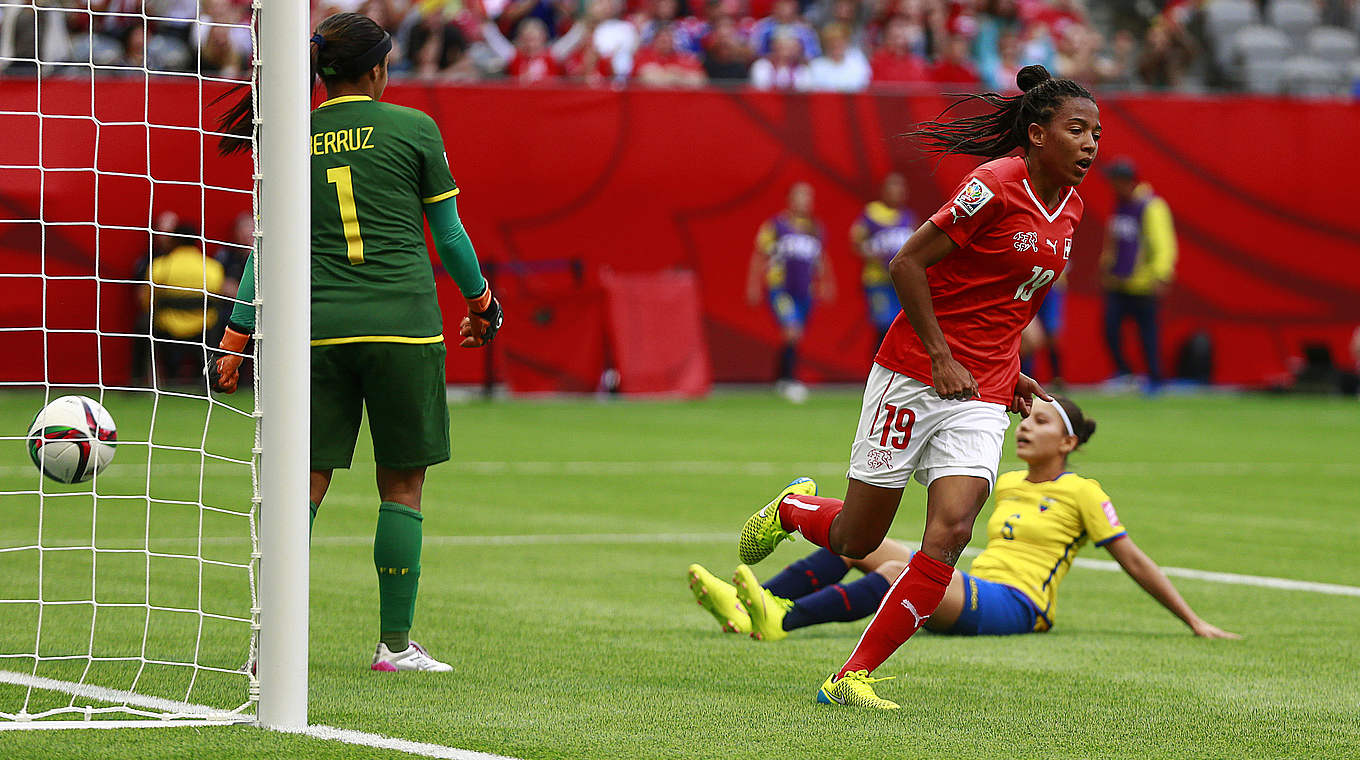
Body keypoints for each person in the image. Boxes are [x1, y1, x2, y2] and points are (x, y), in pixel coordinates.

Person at [736, 65, 1098, 709]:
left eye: (1097, 133)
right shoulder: (992, 186)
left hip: (982, 389)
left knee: (953, 529)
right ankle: (792, 510)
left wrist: (1006, 370)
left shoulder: (1072, 211)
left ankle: (851, 678)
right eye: (1078, 130)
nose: (1092, 144)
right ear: (1038, 135)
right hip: (913, 371)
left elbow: (1009, 303)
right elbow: (906, 262)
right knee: (858, 540)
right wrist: (939, 354)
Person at [210, 11, 503, 673]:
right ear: (375, 70)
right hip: (403, 326)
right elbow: (449, 237)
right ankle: (395, 647)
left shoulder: (291, 134)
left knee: (303, 485)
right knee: (402, 484)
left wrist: (236, 334)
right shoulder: (414, 128)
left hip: (314, 334)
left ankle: (267, 648)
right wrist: (483, 303)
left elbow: (266, 245)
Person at [693, 396, 1239, 641]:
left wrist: (1192, 619)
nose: (1025, 427)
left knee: (893, 575)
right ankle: (753, 604)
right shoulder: (1005, 482)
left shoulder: (1083, 492)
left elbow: (1134, 560)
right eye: (1025, 419)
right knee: (860, 540)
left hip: (1019, 606)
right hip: (974, 585)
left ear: (1067, 442)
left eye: (1042, 423)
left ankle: (782, 622)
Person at [746, 181, 835, 403]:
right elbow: (760, 255)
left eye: (808, 197)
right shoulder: (776, 226)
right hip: (780, 288)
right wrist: (754, 285)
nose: (804, 202)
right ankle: (788, 379)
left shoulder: (815, 228)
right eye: (800, 197)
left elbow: (821, 258)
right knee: (791, 331)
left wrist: (826, 282)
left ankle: (779, 378)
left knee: (796, 335)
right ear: (790, 200)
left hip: (805, 290)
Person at [1100, 157, 1176, 392]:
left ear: (1127, 181)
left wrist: (1162, 275)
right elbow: (1116, 239)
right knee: (1110, 329)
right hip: (1118, 282)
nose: (1112, 185)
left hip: (1143, 283)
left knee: (1148, 335)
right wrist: (1105, 266)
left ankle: (1155, 379)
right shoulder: (1120, 204)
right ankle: (1125, 373)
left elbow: (1164, 243)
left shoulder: (1151, 206)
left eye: (1115, 181)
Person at [136, 221, 225, 386]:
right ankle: (213, 381)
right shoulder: (213, 268)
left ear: (174, 240)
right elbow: (218, 297)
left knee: (142, 323)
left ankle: (142, 380)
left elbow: (146, 301)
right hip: (204, 328)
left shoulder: (160, 266)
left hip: (166, 329)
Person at [850, 172, 914, 350]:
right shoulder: (871, 213)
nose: (899, 191)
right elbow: (856, 242)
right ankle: (876, 369)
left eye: (901, 187)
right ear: (884, 190)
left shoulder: (907, 217)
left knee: (898, 325)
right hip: (877, 280)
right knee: (883, 324)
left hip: (898, 283)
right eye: (894, 186)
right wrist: (875, 256)